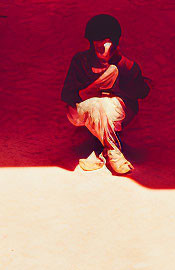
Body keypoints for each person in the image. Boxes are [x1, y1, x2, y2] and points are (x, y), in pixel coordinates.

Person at [60, 14, 150, 175]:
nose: (102, 52)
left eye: (107, 46)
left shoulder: (125, 64)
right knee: (96, 104)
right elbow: (67, 95)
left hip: (116, 112)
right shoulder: (80, 61)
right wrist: (89, 91)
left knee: (102, 105)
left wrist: (121, 65)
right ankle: (112, 151)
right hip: (83, 110)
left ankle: (103, 150)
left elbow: (142, 93)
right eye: (98, 47)